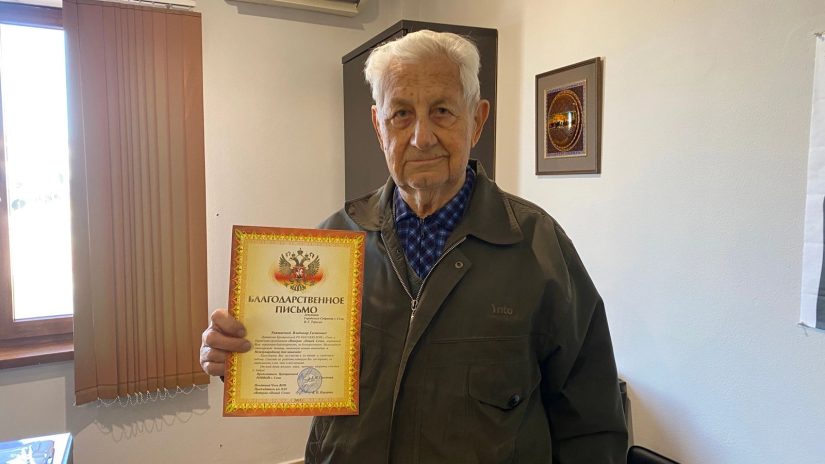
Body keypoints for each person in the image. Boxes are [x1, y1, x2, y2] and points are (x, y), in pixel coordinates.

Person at [200, 30, 628, 463]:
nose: (422, 137)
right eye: (401, 114)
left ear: (477, 120)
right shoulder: (334, 244)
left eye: (442, 111)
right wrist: (238, 356)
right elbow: (292, 365)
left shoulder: (539, 248)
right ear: (378, 126)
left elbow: (592, 425)